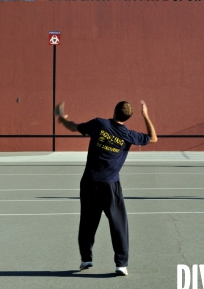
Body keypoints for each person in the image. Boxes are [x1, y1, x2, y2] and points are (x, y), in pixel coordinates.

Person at [58, 100, 157, 276]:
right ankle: (121, 264)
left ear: (114, 111)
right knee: (119, 224)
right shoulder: (128, 135)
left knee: (88, 221)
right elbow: (153, 138)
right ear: (128, 117)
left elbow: (73, 127)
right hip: (111, 184)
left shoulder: (99, 124)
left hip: (89, 182)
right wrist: (146, 115)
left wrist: (62, 119)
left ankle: (86, 259)